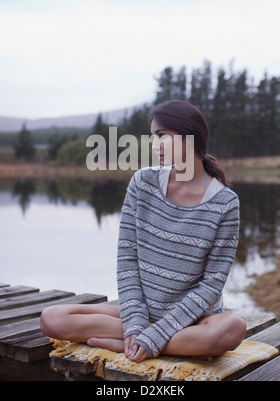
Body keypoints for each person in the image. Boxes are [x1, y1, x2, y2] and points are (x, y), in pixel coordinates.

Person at [40, 100, 246, 363]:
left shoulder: (225, 202)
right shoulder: (142, 183)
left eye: (162, 136)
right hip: (143, 311)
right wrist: (137, 323)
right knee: (52, 318)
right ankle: (166, 343)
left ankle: (129, 343)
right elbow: (127, 259)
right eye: (153, 137)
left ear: (189, 137)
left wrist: (158, 334)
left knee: (231, 330)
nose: (155, 145)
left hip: (195, 318)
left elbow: (212, 284)